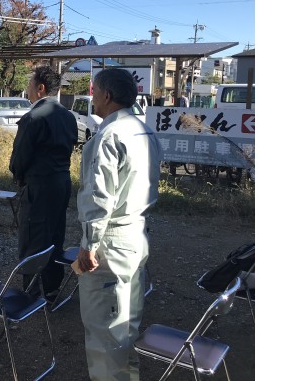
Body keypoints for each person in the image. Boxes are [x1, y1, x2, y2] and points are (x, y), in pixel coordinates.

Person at [74, 68, 162, 381]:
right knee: (126, 324)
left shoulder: (109, 135)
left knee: (103, 330)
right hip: (136, 233)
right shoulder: (143, 130)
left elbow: (99, 196)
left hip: (110, 240)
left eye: (94, 91)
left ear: (107, 96)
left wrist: (89, 244)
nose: (92, 97)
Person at [9, 65, 78, 299]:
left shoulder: (33, 117)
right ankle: (52, 286)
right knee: (55, 233)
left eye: (29, 85)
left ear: (40, 88)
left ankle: (32, 291)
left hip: (39, 184)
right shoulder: (68, 116)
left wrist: (18, 175)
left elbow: (20, 157)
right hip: (62, 181)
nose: (27, 89)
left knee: (32, 236)